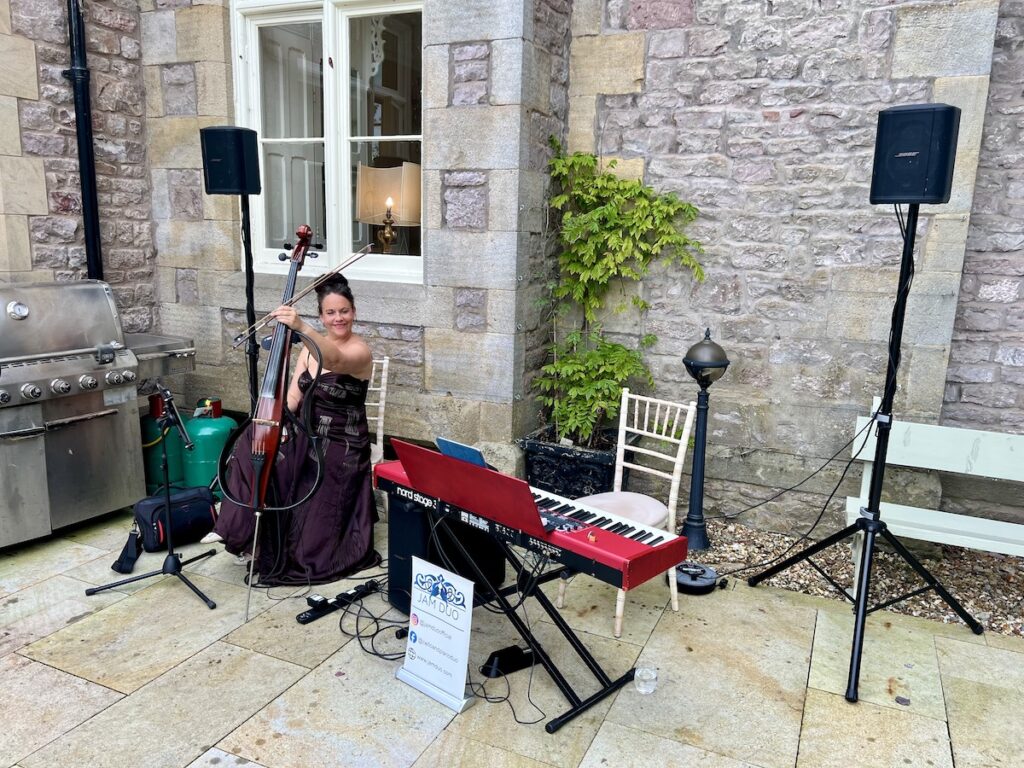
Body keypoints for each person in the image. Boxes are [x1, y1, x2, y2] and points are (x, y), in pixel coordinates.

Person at [212, 275, 379, 585]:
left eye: (344, 311)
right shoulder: (306, 352)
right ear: (322, 316)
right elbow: (291, 399)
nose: (338, 318)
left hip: (343, 446)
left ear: (354, 312)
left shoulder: (359, 351)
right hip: (307, 434)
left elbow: (335, 359)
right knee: (253, 444)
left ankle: (255, 533)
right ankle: (235, 528)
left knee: (308, 545)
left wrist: (302, 328)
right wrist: (273, 424)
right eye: (330, 313)